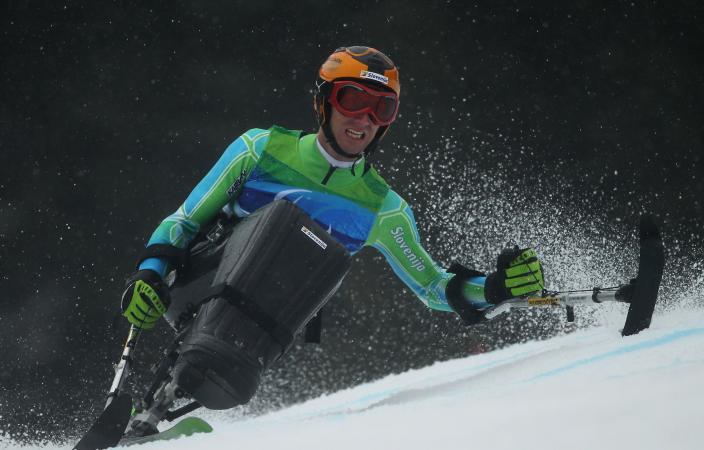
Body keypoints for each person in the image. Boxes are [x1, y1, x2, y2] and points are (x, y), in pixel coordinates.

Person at [119, 46, 544, 435]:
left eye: (382, 108)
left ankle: (169, 404)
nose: (364, 119)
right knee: (282, 225)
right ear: (323, 103)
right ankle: (153, 403)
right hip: (196, 287)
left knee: (306, 249)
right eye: (352, 101)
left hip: (262, 331)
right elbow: (184, 221)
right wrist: (149, 273)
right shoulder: (259, 149)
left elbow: (432, 287)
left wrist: (494, 289)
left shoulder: (383, 207)